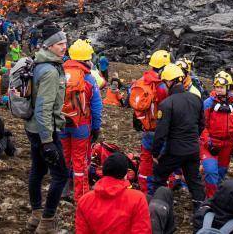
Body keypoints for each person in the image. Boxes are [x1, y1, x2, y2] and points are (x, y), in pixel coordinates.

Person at [25, 22, 69, 234]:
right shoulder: (51, 72)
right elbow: (43, 107)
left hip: (33, 127)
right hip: (45, 131)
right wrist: (48, 141)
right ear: (50, 46)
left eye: (65, 43)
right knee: (61, 175)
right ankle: (47, 221)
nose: (64, 47)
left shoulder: (38, 63)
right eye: (60, 43)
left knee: (38, 170)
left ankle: (35, 216)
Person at [149, 63, 206, 209]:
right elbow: (201, 124)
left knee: (159, 177)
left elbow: (161, 133)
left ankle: (158, 207)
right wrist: (192, 138)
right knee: (195, 182)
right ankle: (200, 211)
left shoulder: (167, 104)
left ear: (169, 82)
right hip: (193, 149)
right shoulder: (196, 99)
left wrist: (155, 153)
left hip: (174, 150)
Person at [61, 39, 103, 201]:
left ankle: (62, 188)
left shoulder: (60, 73)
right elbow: (96, 107)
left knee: (64, 156)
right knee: (80, 161)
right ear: (86, 59)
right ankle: (81, 195)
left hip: (62, 122)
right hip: (82, 125)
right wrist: (96, 128)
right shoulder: (89, 78)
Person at [75, 152, 152, 234]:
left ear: (103, 172)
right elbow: (142, 231)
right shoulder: (138, 199)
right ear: (125, 174)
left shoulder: (84, 200)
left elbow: (82, 231)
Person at [131, 49, 171, 195]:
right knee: (160, 160)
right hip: (159, 129)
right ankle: (158, 190)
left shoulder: (141, 81)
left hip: (146, 127)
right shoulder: (162, 86)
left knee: (145, 159)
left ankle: (144, 188)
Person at [201, 71, 233, 197]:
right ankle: (211, 199)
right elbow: (202, 125)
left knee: (221, 172)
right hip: (211, 143)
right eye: (217, 87)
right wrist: (208, 142)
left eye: (221, 87)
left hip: (227, 144)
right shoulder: (208, 103)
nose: (219, 90)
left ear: (228, 88)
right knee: (210, 171)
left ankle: (215, 195)